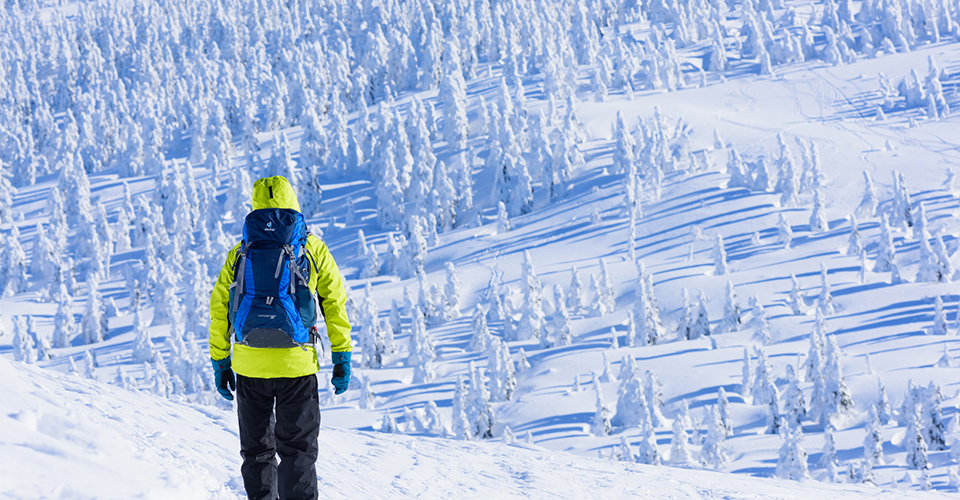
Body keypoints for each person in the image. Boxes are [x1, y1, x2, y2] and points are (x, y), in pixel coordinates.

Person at [208, 175, 352, 500]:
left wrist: (221, 361)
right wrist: (341, 356)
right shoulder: (311, 248)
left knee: (256, 452)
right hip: (296, 366)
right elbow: (334, 303)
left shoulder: (240, 252)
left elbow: (219, 309)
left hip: (249, 366)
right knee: (297, 452)